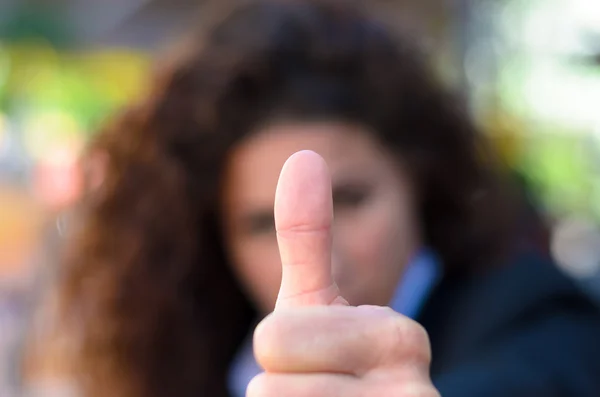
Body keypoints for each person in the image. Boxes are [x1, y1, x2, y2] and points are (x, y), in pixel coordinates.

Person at [59, 1, 600, 397]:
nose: (329, 255)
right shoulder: (204, 352)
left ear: (419, 181)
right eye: (258, 224)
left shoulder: (530, 309)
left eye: (352, 199)